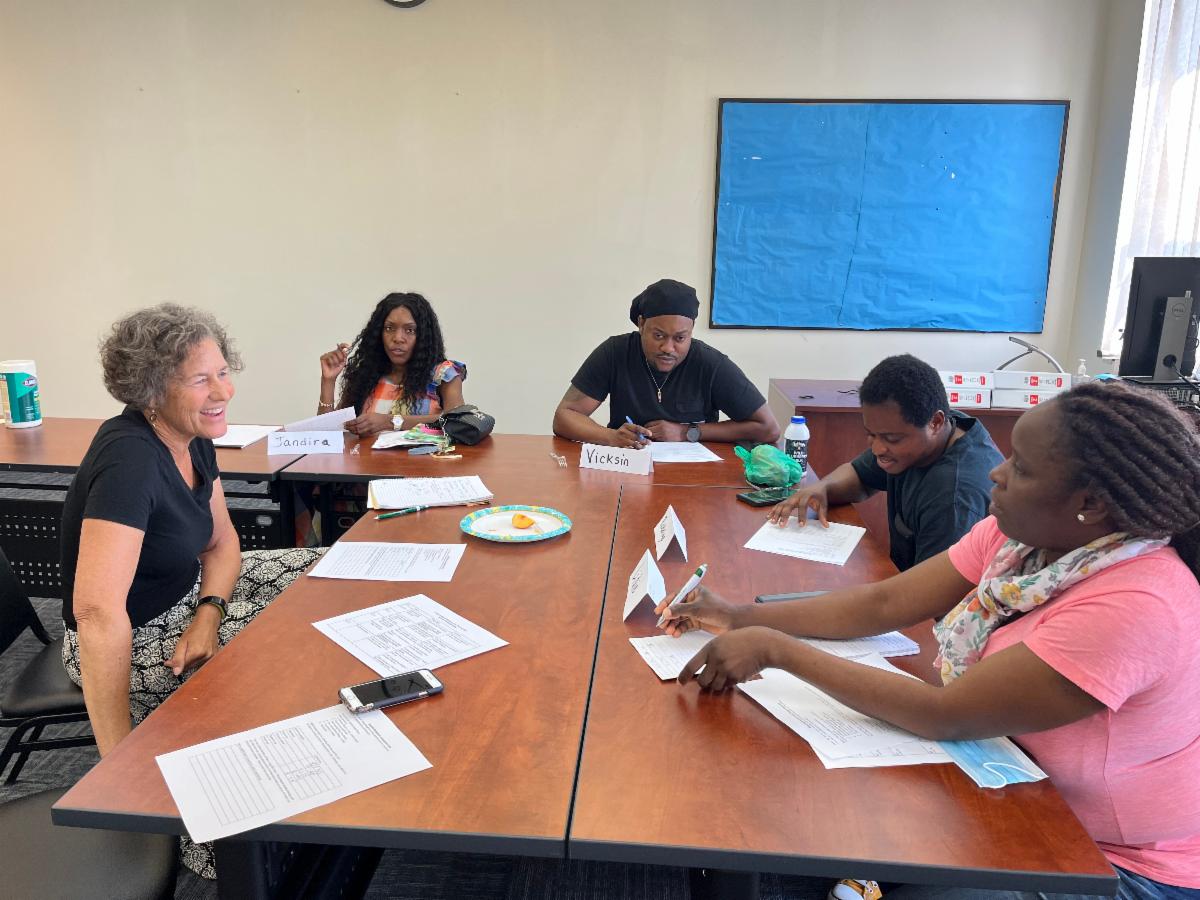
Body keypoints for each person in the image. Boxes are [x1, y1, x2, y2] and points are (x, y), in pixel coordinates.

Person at [659, 380, 1200, 900]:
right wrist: (740, 616)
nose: (997, 472)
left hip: (1112, 863)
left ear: (1093, 504)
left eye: (1022, 468)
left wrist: (774, 648)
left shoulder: (1138, 603)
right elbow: (884, 604)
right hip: (1012, 780)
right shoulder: (1020, 540)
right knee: (800, 818)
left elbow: (944, 714)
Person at [61, 304, 323, 879]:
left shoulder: (193, 435)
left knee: (328, 574)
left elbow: (222, 544)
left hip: (187, 597)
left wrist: (209, 614)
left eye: (223, 372)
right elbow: (97, 613)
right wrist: (119, 766)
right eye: (201, 379)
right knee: (280, 653)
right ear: (153, 389)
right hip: (129, 635)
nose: (223, 391)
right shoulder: (130, 461)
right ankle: (236, 843)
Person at [770, 354, 1002, 571]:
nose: (877, 449)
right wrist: (823, 487)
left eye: (892, 439)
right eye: (871, 435)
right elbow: (860, 476)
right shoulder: (937, 431)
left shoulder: (954, 496)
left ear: (935, 422)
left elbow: (933, 595)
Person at [552, 278, 779, 448]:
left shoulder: (710, 364)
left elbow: (768, 428)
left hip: (696, 478)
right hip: (627, 470)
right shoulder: (615, 353)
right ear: (641, 324)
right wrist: (611, 437)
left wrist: (687, 432)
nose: (668, 348)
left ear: (691, 331)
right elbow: (565, 416)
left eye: (680, 338)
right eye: (658, 335)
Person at [317, 292, 466, 437]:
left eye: (410, 330)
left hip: (424, 455)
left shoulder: (443, 374)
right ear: (378, 333)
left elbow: (458, 422)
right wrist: (328, 381)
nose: (398, 338)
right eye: (389, 328)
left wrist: (389, 421)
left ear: (423, 336)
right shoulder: (365, 376)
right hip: (368, 455)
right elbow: (325, 436)